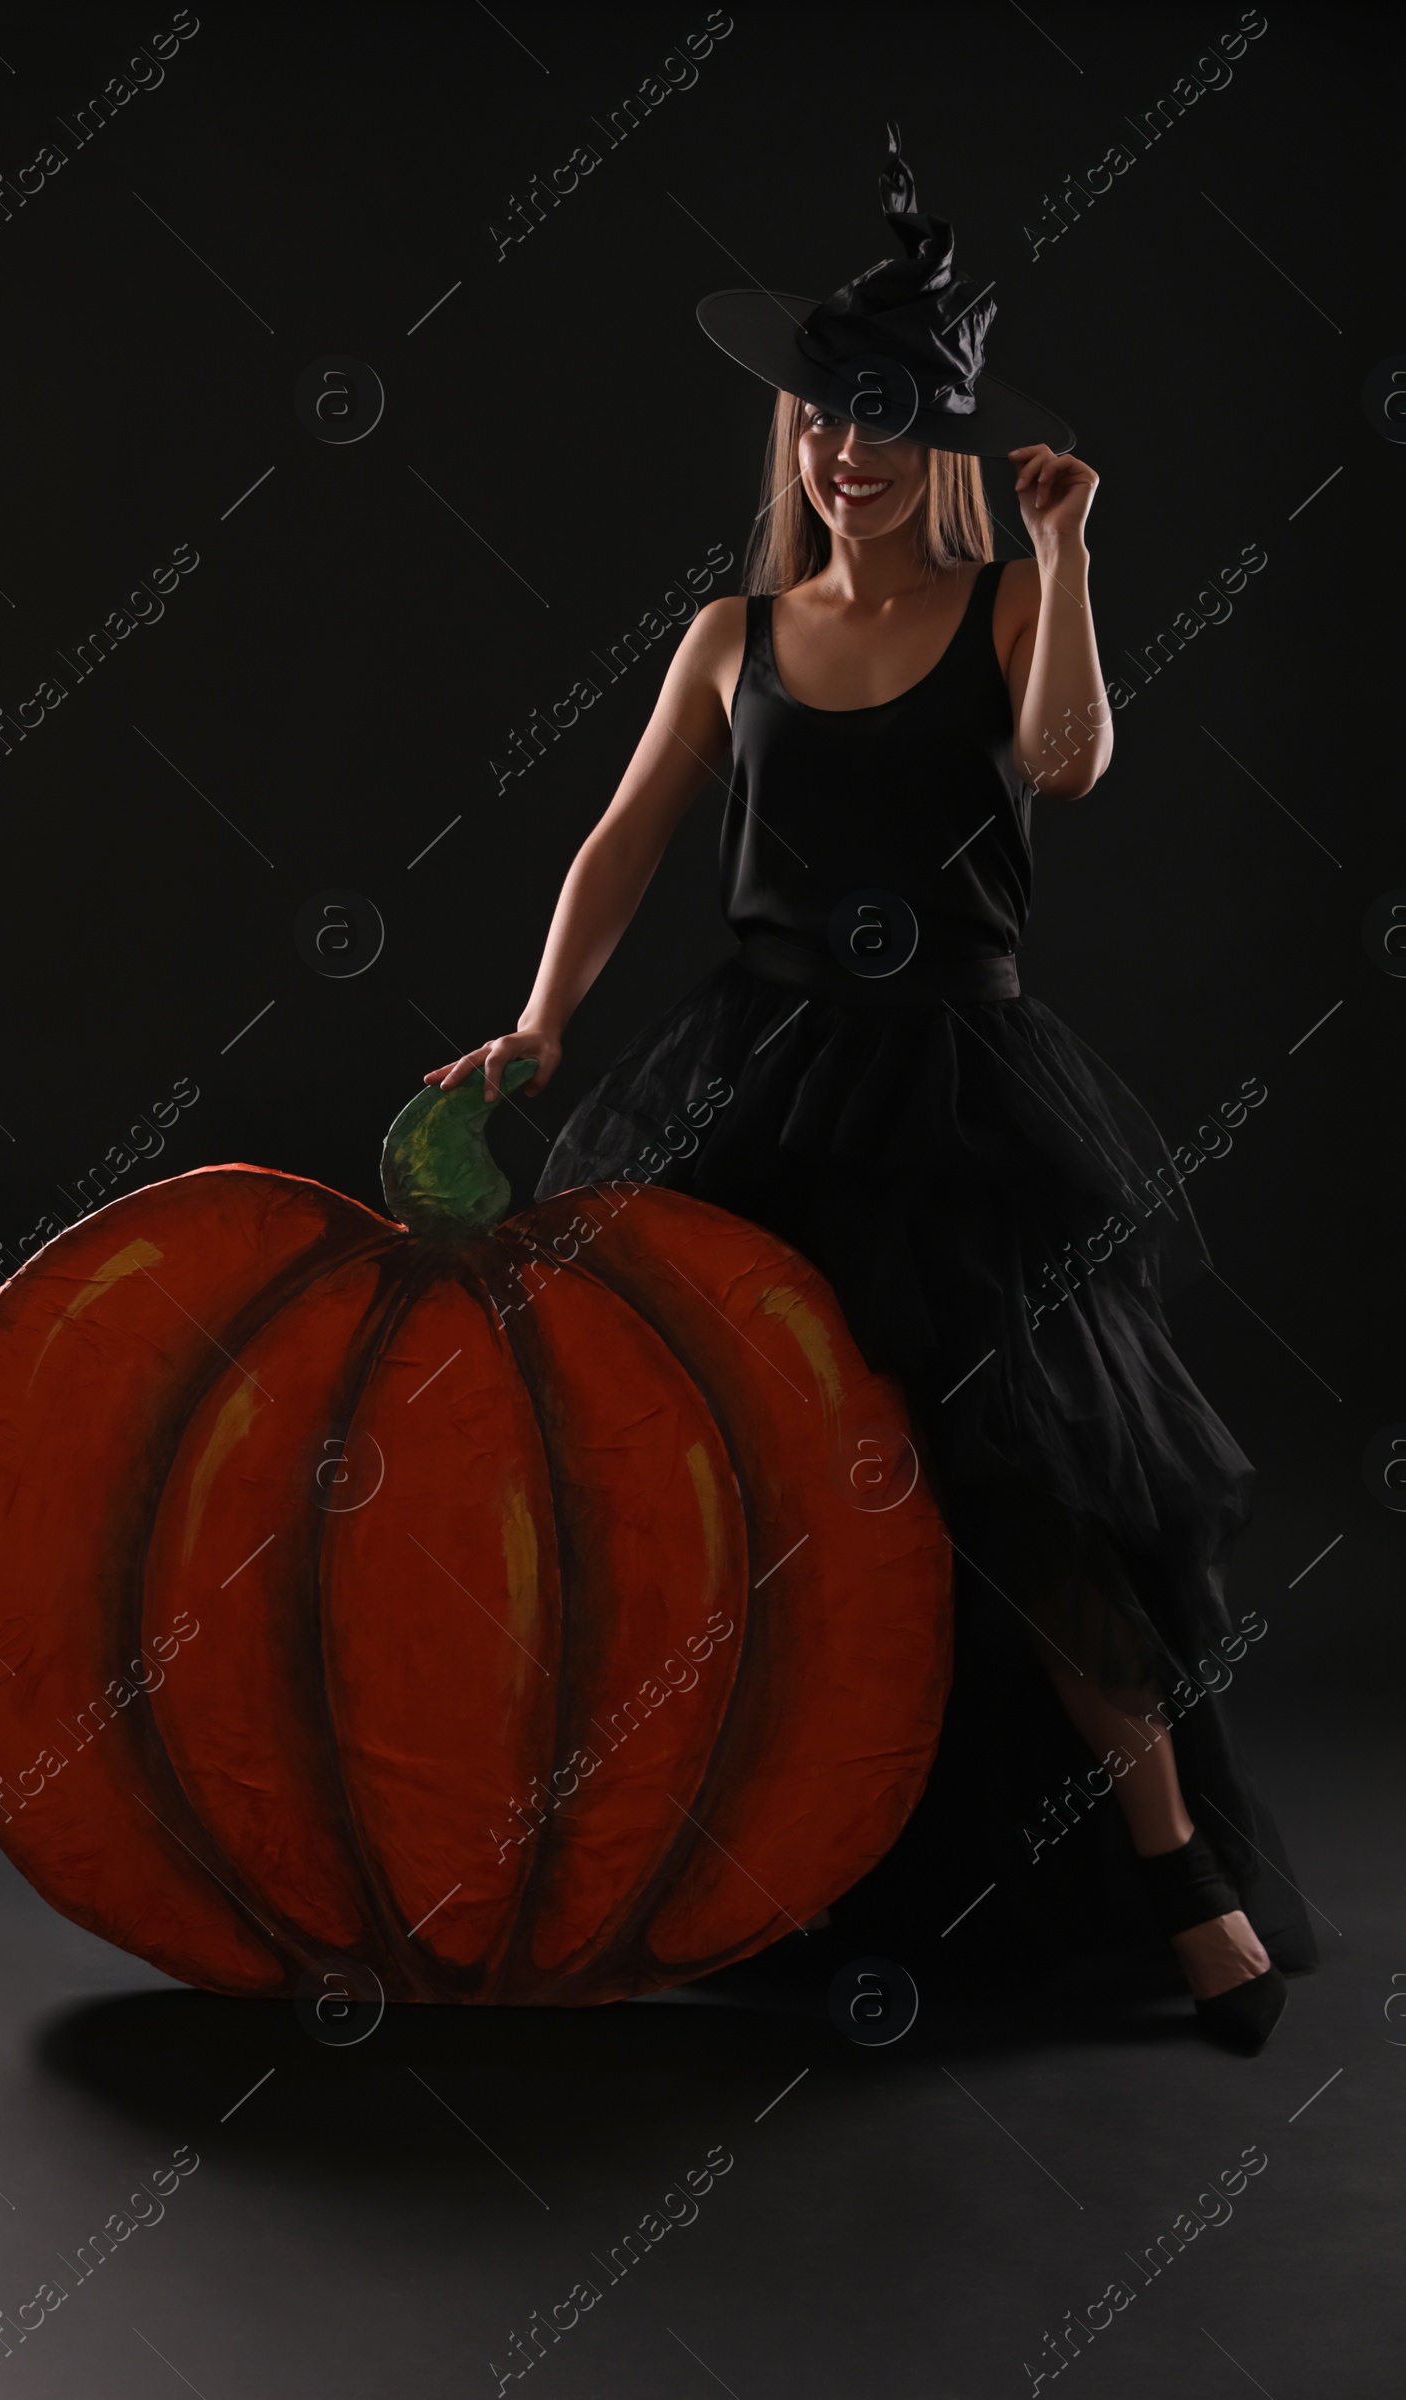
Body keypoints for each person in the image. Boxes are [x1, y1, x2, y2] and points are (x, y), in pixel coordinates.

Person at [424, 130, 1314, 2051]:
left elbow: (1069, 767)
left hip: (957, 1098)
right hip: (747, 1081)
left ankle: (1179, 1877)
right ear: (798, 433)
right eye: (829, 415)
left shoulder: (1001, 605)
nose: (852, 450)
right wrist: (544, 1023)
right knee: (726, 1462)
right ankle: (703, 1845)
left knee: (1027, 1482)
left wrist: (1070, 551)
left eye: (894, 420)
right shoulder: (732, 636)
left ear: (953, 441)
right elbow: (621, 842)